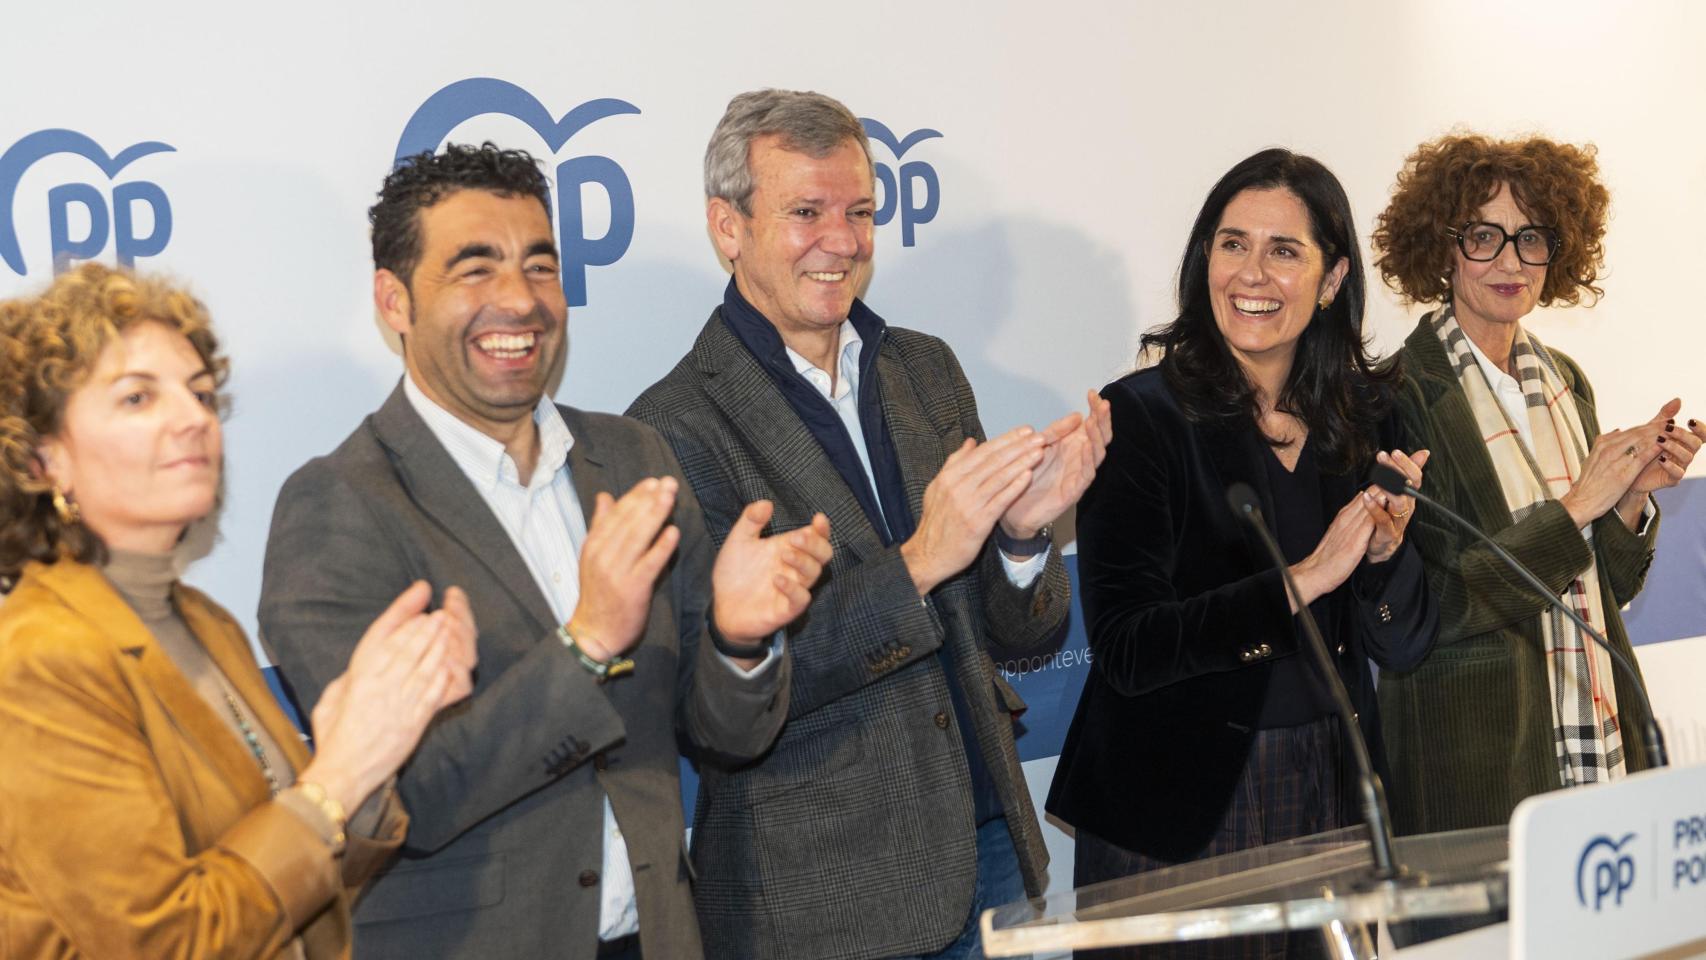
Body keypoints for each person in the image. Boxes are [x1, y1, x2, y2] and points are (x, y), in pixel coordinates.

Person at [257, 142, 829, 960]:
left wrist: (739, 640)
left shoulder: (633, 460)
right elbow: (408, 795)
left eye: (539, 267)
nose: (519, 301)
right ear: (395, 301)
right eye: (474, 271)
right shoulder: (338, 508)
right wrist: (587, 642)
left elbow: (725, 736)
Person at [627, 88, 1110, 960]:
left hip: (990, 846)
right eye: (806, 212)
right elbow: (721, 701)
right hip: (823, 898)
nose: (842, 241)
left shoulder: (923, 370)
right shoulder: (672, 426)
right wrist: (920, 560)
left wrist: (1024, 538)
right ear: (726, 227)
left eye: (859, 212)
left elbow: (1020, 641)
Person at [0, 263, 474, 959]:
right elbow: (168, 944)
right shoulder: (39, 658)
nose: (193, 418)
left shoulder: (203, 620)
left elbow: (289, 894)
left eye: (199, 393)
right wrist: (334, 776)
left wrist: (367, 765)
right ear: (43, 462)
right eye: (137, 399)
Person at [1045, 149, 1439, 959]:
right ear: (1204, 261)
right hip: (1177, 809)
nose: (1251, 273)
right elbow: (1127, 647)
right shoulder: (1142, 418)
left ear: (1331, 282)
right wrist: (1305, 578)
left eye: (1283, 251)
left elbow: (1403, 642)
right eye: (1232, 244)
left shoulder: (1368, 417)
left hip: (1331, 787)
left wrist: (1382, 563)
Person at [1370, 134, 1702, 834]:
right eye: (1484, 236)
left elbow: (1607, 586)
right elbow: (1435, 607)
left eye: (1532, 239)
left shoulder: (1565, 380)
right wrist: (1579, 502)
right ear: (1442, 247)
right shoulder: (1397, 395)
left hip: (1596, 739)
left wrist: (1632, 497)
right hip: (1476, 762)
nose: (1511, 262)